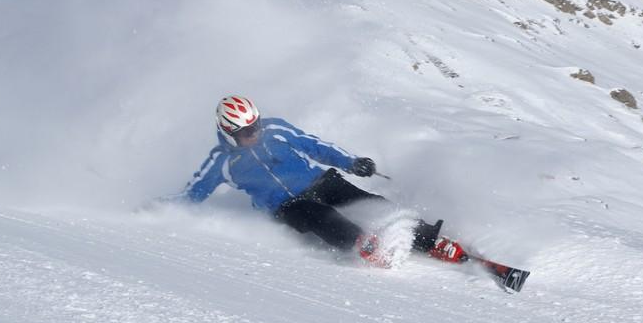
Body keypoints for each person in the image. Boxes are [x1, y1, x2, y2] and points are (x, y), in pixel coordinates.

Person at [180, 95, 455, 265]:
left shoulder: (275, 129)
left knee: (369, 202)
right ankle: (365, 245)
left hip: (321, 181)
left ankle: (427, 237)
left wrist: (352, 162)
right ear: (229, 133)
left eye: (256, 125)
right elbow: (192, 194)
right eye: (247, 132)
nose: (255, 134)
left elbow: (316, 147)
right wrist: (155, 210)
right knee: (320, 216)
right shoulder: (221, 162)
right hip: (288, 205)